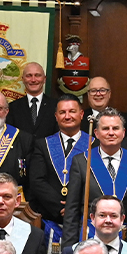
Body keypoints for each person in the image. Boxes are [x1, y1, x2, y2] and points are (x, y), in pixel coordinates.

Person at [63, 110, 127, 240]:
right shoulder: (82, 162)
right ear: (96, 133)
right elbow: (72, 210)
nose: (111, 133)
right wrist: (68, 249)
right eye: (105, 128)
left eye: (115, 128)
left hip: (126, 238)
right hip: (89, 236)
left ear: (123, 132)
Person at [27, 97, 89, 234]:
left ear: (81, 114)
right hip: (50, 218)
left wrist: (74, 208)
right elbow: (37, 181)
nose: (67, 116)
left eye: (72, 111)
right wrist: (59, 208)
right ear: (56, 116)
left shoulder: (94, 145)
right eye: (62, 112)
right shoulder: (42, 145)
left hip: (82, 219)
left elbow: (95, 183)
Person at [8, 61, 59, 139]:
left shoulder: (56, 106)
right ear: (23, 79)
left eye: (37, 75)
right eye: (29, 76)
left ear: (44, 79)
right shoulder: (12, 107)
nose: (33, 80)